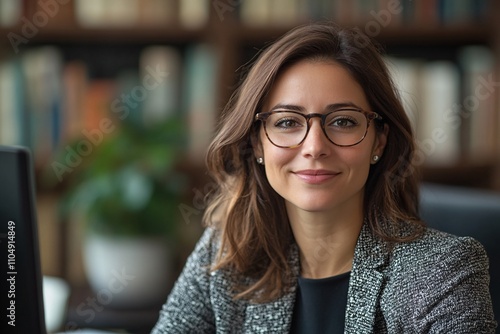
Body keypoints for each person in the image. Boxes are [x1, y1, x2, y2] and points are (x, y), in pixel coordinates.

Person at [152, 22, 497, 333]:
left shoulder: (443, 272)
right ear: (257, 142)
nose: (314, 147)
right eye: (287, 122)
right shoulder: (226, 254)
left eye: (343, 121)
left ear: (378, 140)